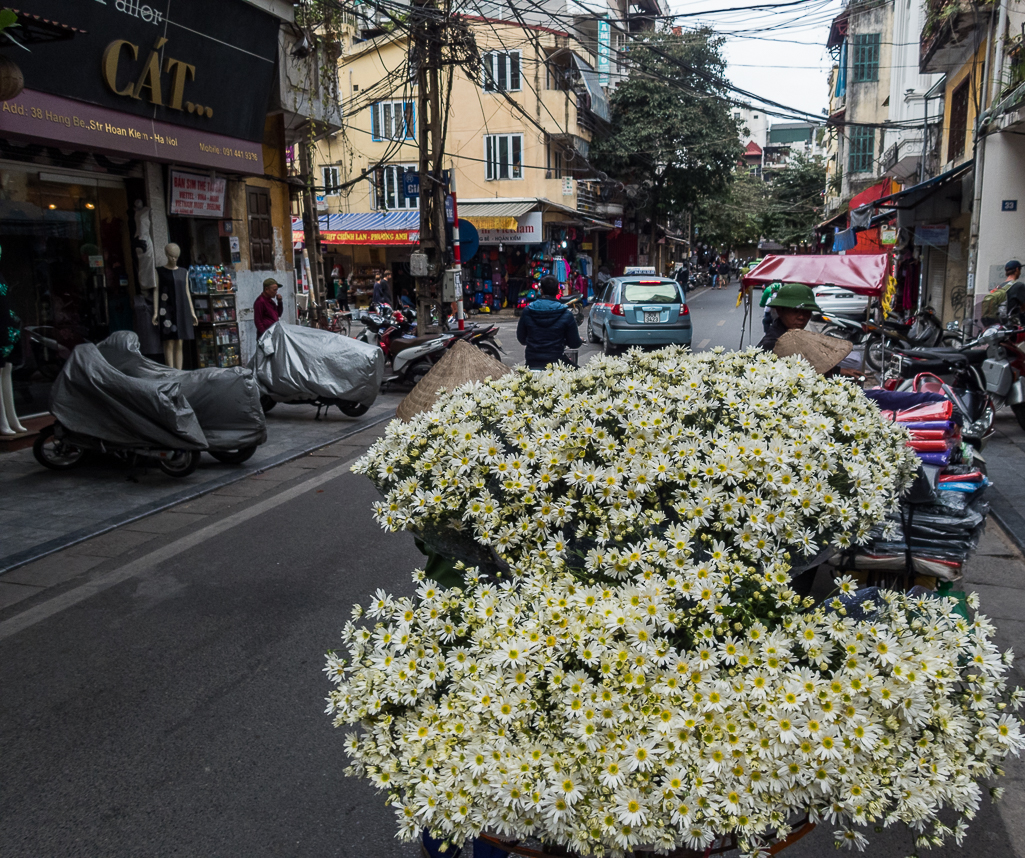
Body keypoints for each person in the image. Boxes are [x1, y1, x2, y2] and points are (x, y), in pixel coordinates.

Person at [516, 275, 582, 369]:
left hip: (532, 362)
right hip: (557, 363)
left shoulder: (527, 311)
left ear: (541, 290)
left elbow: (521, 338)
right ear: (558, 291)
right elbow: (574, 343)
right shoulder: (566, 314)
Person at [757, 283, 819, 351]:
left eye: (807, 312)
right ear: (780, 311)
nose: (801, 317)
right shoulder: (772, 344)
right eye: (795, 311)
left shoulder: (797, 338)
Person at [982, 259, 1025, 325]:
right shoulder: (1019, 286)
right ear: (1017, 270)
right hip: (1012, 326)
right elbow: (1023, 308)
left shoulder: (999, 287)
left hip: (998, 325)